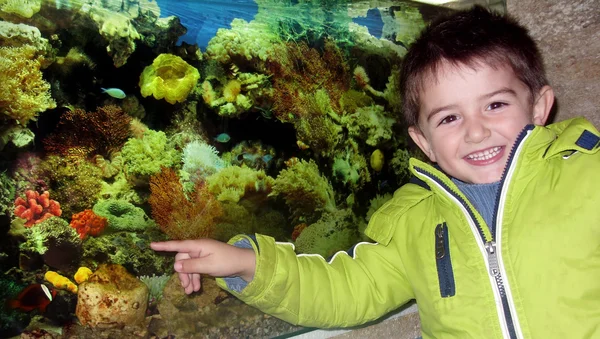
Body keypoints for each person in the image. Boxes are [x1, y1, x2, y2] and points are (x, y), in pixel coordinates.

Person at [151, 6, 600, 338]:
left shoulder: (587, 177)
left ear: (540, 106)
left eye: (496, 104)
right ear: (422, 143)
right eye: (448, 118)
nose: (476, 131)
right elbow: (348, 289)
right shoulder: (413, 222)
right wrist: (247, 265)